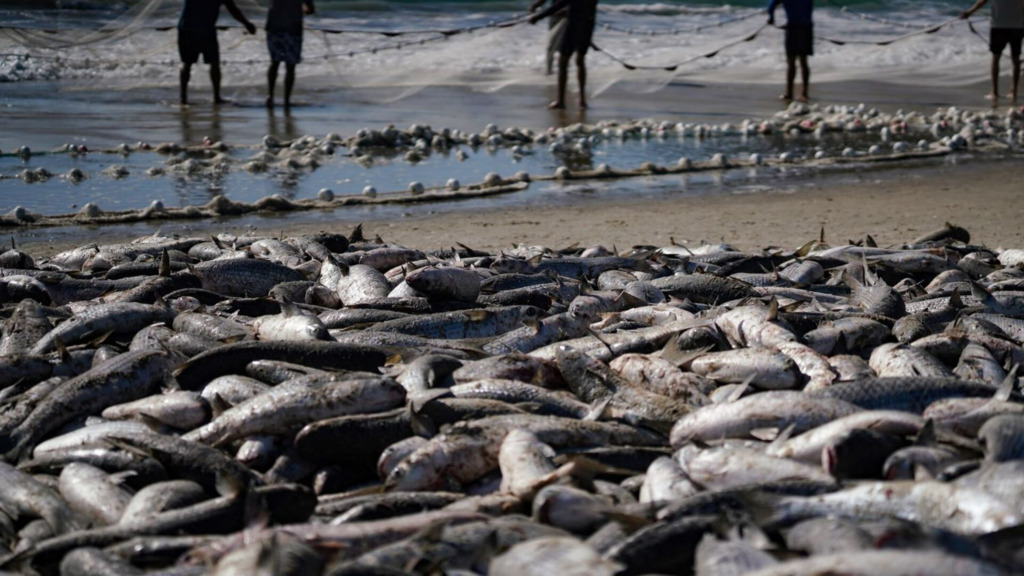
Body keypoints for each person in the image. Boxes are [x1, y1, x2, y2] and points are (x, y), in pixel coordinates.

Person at [177, 0, 256, 106]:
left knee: (188, 63)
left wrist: (246, 23)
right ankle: (215, 97)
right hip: (202, 29)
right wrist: (247, 24)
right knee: (212, 63)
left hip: (189, 28)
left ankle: (184, 98)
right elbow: (233, 9)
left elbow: (232, 9)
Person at [529, 0, 598, 109]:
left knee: (563, 63)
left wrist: (538, 17)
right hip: (587, 26)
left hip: (573, 27)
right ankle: (582, 101)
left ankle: (560, 101)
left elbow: (560, 3)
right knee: (580, 61)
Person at [960, 0, 1023, 106]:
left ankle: (994, 92)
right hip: (1017, 25)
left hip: (998, 25)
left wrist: (969, 12)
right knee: (1015, 59)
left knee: (996, 57)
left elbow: (982, 1)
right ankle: (1014, 92)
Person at [266, 0, 315, 109]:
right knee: (290, 66)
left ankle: (270, 96)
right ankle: (286, 100)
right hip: (292, 29)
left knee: (274, 62)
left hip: (274, 27)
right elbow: (310, 9)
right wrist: (301, 9)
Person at [767, 0, 813, 102]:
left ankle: (789, 93)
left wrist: (771, 19)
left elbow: (771, 6)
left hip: (793, 27)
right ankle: (804, 93)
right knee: (803, 61)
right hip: (806, 28)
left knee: (791, 62)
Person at [529, 0, 568, 75]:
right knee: (552, 45)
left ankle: (562, 70)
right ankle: (549, 70)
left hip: (567, 17)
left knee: (563, 46)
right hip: (555, 17)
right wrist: (535, 5)